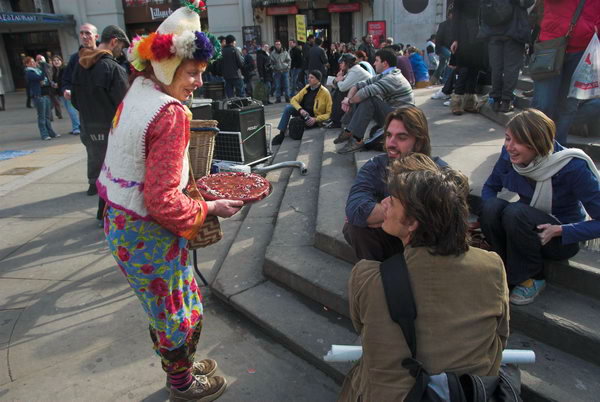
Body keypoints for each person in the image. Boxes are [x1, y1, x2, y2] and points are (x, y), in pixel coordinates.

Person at [98, 3, 241, 401]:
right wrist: (211, 207)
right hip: (149, 233)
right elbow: (162, 203)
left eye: (200, 73)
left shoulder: (138, 90)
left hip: (121, 226)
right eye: (191, 72)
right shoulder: (170, 112)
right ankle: (181, 383)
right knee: (179, 313)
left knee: (163, 310)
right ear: (164, 66)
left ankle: (180, 370)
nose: (197, 82)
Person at [338, 159, 509, 401]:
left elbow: (363, 328)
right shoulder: (492, 266)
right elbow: (500, 336)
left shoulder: (367, 276)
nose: (384, 203)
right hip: (468, 392)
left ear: (412, 222)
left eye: (392, 200)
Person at [480, 109, 600, 305]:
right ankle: (502, 266)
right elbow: (490, 187)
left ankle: (532, 278)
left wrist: (560, 230)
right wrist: (486, 218)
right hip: (522, 227)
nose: (510, 147)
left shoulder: (573, 167)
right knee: (491, 207)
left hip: (559, 239)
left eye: (518, 141)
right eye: (508, 138)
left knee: (515, 212)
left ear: (538, 142)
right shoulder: (509, 156)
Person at [344, 106, 447, 261]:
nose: (390, 143)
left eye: (401, 137)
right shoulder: (375, 166)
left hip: (426, 247)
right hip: (390, 240)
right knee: (354, 227)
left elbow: (444, 218)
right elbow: (356, 209)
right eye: (389, 135)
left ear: (419, 142)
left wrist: (386, 216)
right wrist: (410, 217)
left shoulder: (439, 170)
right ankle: (378, 277)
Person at [71, 25, 129, 224]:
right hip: (111, 130)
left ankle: (102, 212)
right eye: (121, 46)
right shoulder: (112, 68)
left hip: (89, 128)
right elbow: (125, 105)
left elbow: (75, 100)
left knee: (102, 172)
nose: (121, 51)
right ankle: (107, 214)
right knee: (115, 174)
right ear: (113, 41)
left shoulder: (80, 66)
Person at [531, 0, 600, 145]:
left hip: (582, 51)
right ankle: (537, 146)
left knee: (568, 106)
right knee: (544, 103)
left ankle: (557, 147)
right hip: (552, 44)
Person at [335, 49, 415, 154]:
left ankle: (355, 137)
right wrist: (347, 100)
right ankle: (349, 130)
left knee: (369, 99)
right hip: (393, 114)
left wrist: (348, 101)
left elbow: (364, 92)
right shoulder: (386, 74)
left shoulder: (392, 78)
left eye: (376, 60)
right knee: (362, 98)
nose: (374, 63)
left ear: (385, 63)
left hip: (402, 119)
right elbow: (358, 85)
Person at [479, 0, 534, 113]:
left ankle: (495, 99)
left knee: (496, 67)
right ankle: (506, 101)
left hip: (493, 30)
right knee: (511, 68)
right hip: (514, 30)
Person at [271, 70, 332, 145]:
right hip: (303, 113)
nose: (308, 79)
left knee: (297, 126)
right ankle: (281, 133)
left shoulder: (325, 93)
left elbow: (328, 114)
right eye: (308, 77)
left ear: (318, 80)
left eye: (311, 78)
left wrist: (316, 119)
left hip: (314, 118)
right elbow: (293, 99)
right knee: (288, 108)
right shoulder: (307, 88)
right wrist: (300, 110)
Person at [450, 0, 488, 115]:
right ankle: (457, 102)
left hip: (480, 37)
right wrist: (455, 39)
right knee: (464, 69)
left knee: (474, 70)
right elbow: (456, 18)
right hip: (464, 37)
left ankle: (469, 102)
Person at [62, 23, 98, 135]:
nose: (84, 36)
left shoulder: (104, 55)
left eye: (88, 33)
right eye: (81, 33)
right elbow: (66, 81)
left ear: (96, 37)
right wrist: (67, 90)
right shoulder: (75, 59)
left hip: (105, 110)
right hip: (86, 111)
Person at [327, 53, 372, 129]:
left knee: (339, 93)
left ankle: (336, 121)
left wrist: (338, 79)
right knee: (336, 91)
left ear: (346, 63)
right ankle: (334, 119)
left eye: (341, 63)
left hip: (367, 96)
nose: (340, 65)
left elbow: (342, 87)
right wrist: (336, 79)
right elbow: (335, 82)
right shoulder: (352, 70)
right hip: (361, 93)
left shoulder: (355, 71)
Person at [24, 56, 59, 141]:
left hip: (46, 94)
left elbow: (45, 78)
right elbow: (40, 78)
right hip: (38, 96)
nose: (33, 63)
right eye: (30, 62)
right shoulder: (29, 72)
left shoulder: (37, 70)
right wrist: (43, 69)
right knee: (42, 116)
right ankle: (44, 134)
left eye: (33, 61)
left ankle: (51, 132)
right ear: (27, 64)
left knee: (47, 116)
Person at [49, 55, 64, 120]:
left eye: (57, 60)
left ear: (61, 61)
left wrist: (58, 84)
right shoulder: (52, 69)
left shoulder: (63, 69)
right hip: (54, 90)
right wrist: (52, 83)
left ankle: (59, 114)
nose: (56, 62)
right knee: (53, 103)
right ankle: (51, 116)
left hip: (63, 91)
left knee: (70, 109)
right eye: (54, 60)